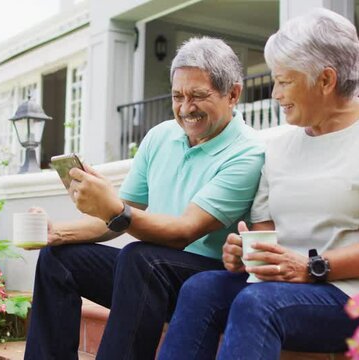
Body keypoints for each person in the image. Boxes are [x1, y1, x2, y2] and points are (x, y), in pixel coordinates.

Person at [157, 8, 359, 359]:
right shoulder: (279, 144)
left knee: (257, 303)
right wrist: (250, 255)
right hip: (289, 285)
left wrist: (313, 267)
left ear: (325, 80)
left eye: (284, 81)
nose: (275, 93)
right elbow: (265, 228)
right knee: (201, 289)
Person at [24, 37, 267, 360]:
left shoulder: (248, 152)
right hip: (148, 273)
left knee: (141, 258)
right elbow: (116, 219)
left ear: (233, 94)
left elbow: (184, 232)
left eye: (197, 96)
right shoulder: (160, 136)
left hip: (207, 278)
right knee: (58, 260)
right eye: (177, 96)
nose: (185, 108)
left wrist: (115, 209)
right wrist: (59, 233)